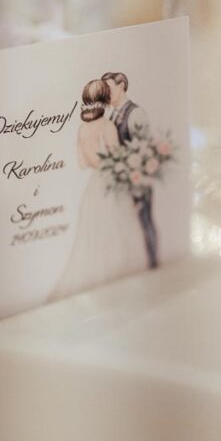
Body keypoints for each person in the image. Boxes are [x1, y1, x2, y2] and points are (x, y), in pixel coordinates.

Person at [50, 79, 147, 301]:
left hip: (93, 184)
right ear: (105, 99)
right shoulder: (107, 127)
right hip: (109, 182)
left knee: (94, 237)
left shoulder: (83, 129)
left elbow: (82, 162)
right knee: (118, 231)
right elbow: (116, 159)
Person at [102, 71, 158, 268]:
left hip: (138, 181)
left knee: (144, 223)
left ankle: (153, 264)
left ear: (121, 86)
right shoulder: (112, 114)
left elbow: (144, 150)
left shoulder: (136, 114)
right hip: (122, 182)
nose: (106, 93)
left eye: (109, 88)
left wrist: (139, 185)